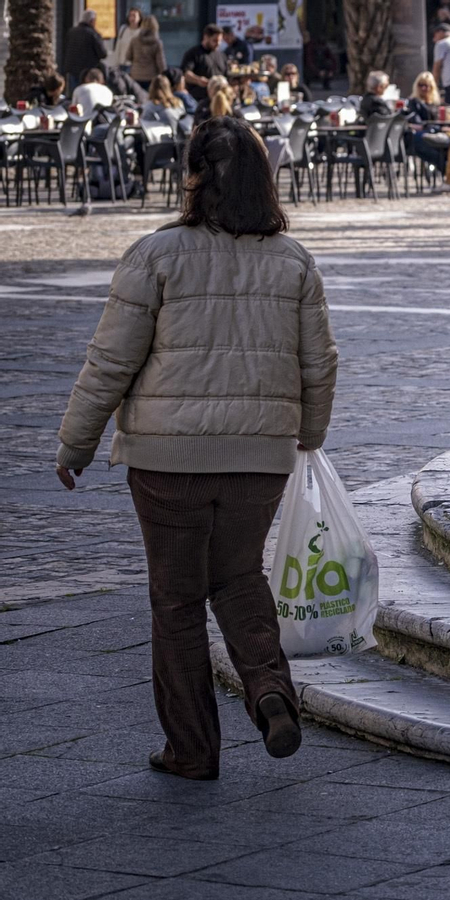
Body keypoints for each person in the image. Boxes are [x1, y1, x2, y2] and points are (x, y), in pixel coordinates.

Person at [54, 114, 336, 782]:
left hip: (166, 459)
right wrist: (311, 435)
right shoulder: (292, 260)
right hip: (259, 455)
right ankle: (270, 692)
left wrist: (76, 443)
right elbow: (320, 363)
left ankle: (191, 749)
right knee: (239, 576)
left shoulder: (157, 253)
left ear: (191, 177)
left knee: (176, 601)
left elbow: (110, 361)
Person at [406, 71, 448, 175]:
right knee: (428, 144)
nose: (424, 88)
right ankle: (449, 173)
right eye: (421, 85)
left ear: (432, 87)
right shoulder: (414, 102)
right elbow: (417, 122)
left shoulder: (436, 103)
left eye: (427, 85)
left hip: (437, 133)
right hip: (422, 135)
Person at [182, 25, 229, 111]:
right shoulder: (193, 53)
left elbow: (227, 75)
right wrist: (198, 80)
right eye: (215, 40)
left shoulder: (221, 55)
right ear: (206, 37)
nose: (218, 44)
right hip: (200, 101)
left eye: (220, 41)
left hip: (220, 101)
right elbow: (186, 74)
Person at [64, 11, 109, 89]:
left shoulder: (72, 32)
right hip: (87, 71)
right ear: (92, 21)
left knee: (74, 93)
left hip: (72, 69)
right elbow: (102, 53)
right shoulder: (93, 34)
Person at [127, 18, 167, 91]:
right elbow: (160, 63)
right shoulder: (157, 43)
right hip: (151, 77)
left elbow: (128, 56)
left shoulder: (134, 40)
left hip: (136, 75)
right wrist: (165, 75)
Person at [111, 8, 144, 74]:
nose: (132, 18)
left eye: (134, 16)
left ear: (139, 18)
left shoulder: (142, 32)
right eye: (130, 16)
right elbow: (118, 47)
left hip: (136, 66)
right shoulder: (123, 30)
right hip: (122, 64)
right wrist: (115, 64)